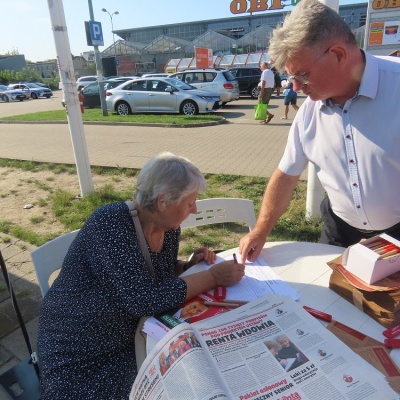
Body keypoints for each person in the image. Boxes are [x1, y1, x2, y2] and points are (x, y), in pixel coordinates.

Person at [37, 151, 245, 400]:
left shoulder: (167, 227)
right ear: (163, 201)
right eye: (190, 202)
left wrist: (186, 266)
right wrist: (212, 278)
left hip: (130, 333)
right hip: (82, 352)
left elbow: (155, 274)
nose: (195, 209)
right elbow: (144, 300)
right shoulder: (110, 223)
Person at [240, 0, 400, 259]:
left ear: (337, 54)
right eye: (291, 77)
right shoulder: (309, 112)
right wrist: (260, 230)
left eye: (302, 75)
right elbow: (286, 175)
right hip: (339, 230)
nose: (295, 87)